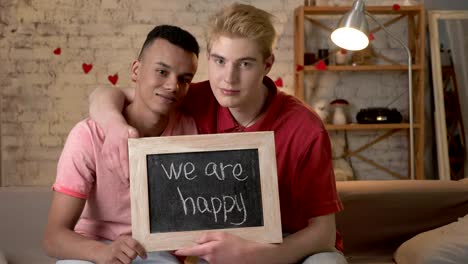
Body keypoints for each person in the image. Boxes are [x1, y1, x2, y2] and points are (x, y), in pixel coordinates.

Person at [89, 3, 346, 264]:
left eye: (245, 64)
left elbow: (323, 234)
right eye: (220, 61)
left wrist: (258, 256)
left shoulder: (306, 127)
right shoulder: (195, 97)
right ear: (209, 57)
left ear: (267, 65)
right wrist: (114, 126)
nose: (228, 79)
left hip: (289, 244)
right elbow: (110, 94)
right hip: (219, 243)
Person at [42, 25, 200, 264]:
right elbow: (53, 237)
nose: (172, 86)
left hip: (155, 252)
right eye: (161, 72)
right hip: (89, 249)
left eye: (184, 79)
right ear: (136, 70)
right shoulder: (87, 135)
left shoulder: (190, 130)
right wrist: (103, 253)